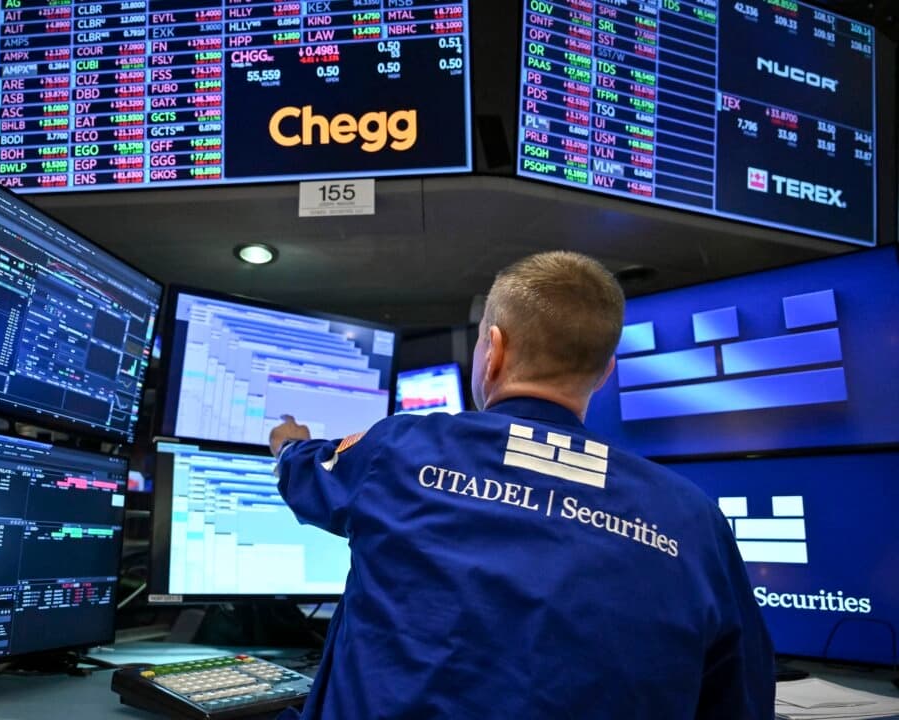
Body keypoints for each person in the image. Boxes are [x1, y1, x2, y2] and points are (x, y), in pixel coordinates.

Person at [269, 251, 775, 719]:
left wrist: (288, 442)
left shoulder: (401, 450)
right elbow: (741, 699)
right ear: (604, 372)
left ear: (493, 349)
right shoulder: (694, 518)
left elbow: (304, 471)